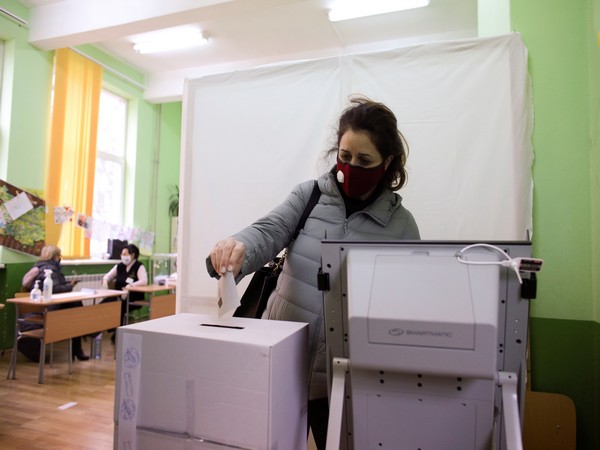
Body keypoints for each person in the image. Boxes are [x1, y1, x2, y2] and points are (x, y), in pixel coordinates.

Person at [208, 96, 421, 449]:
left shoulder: (401, 226)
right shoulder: (309, 196)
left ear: (388, 164)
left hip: (344, 378)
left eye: (365, 160)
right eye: (344, 155)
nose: (351, 166)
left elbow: (408, 304)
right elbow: (268, 230)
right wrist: (238, 247)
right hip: (282, 360)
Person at [23, 245, 90, 361]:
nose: (60, 258)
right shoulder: (51, 269)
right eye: (59, 256)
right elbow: (55, 289)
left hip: (42, 307)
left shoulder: (38, 266)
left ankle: (79, 345)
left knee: (75, 308)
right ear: (55, 257)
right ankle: (80, 345)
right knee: (76, 310)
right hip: (49, 309)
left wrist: (67, 284)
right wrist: (70, 286)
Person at [102, 243, 148, 328]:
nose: (122, 256)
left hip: (133, 298)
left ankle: (117, 331)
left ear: (133, 255)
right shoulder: (120, 266)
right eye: (122, 254)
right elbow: (108, 276)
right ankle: (105, 327)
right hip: (118, 296)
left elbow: (144, 281)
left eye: (125, 254)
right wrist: (105, 280)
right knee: (103, 304)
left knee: (118, 306)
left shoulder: (139, 266)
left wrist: (131, 285)